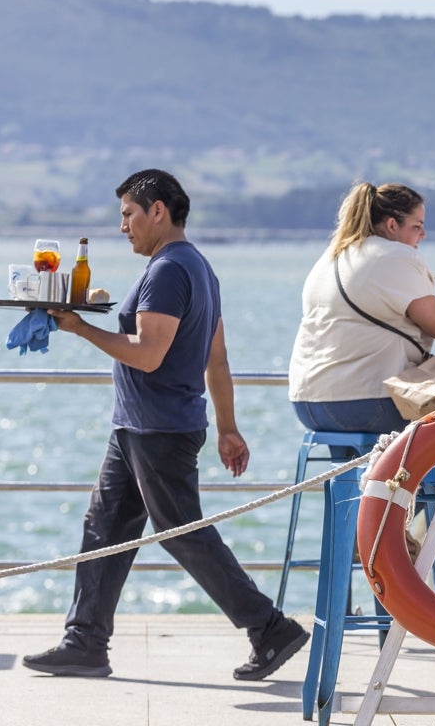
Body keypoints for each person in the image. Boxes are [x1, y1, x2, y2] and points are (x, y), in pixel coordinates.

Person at [23, 169, 308, 680]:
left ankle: (269, 627)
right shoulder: (197, 267)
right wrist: (227, 427)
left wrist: (80, 327)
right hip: (141, 427)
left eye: (129, 215)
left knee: (182, 534)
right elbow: (215, 358)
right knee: (105, 528)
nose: (123, 227)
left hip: (159, 430)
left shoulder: (169, 270)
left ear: (158, 211)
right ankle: (85, 639)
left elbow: (149, 354)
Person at [289, 182, 435, 434]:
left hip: (307, 404)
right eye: (417, 226)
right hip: (366, 404)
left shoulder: (332, 257)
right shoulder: (395, 255)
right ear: (392, 225)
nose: (422, 235)